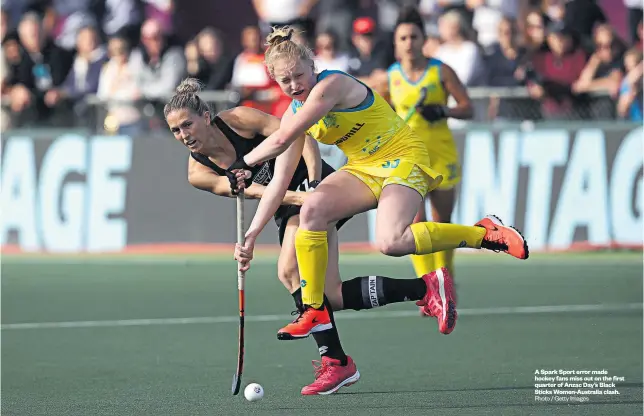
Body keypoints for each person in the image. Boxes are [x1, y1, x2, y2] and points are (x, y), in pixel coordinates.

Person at [228, 26, 529, 339]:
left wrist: (244, 163)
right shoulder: (294, 112)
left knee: (391, 242)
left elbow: (280, 138)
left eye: (298, 76)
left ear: (312, 66)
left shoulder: (332, 84)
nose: (293, 85)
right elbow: (279, 182)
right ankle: (314, 309)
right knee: (312, 209)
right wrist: (251, 236)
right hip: (363, 167)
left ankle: (486, 235)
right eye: (284, 80)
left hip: (403, 156)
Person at [164, 78, 460, 395]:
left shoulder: (239, 120)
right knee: (329, 295)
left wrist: (315, 182)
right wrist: (299, 200)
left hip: (321, 189)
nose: (184, 136)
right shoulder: (198, 173)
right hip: (290, 204)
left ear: (205, 117)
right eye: (176, 131)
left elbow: (297, 135)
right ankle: (425, 288)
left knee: (289, 271)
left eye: (187, 125)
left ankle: (335, 362)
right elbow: (254, 192)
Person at [386, 8, 472, 313]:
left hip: (441, 155)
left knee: (442, 224)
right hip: (411, 160)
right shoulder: (390, 77)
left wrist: (443, 111)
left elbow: (468, 107)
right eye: (403, 38)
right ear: (396, 43)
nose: (409, 43)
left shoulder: (441, 71)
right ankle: (428, 289)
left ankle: (445, 282)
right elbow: (380, 117)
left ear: (424, 39)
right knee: (415, 224)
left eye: (414, 36)